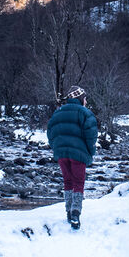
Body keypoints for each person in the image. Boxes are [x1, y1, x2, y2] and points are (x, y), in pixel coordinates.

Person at [46, 86, 98, 230]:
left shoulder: (58, 112)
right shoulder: (85, 113)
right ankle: (75, 213)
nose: (86, 101)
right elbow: (91, 136)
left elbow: (50, 133)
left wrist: (56, 148)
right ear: (80, 98)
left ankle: (69, 212)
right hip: (79, 154)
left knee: (68, 181)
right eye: (85, 98)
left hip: (61, 153)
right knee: (78, 182)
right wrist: (90, 152)